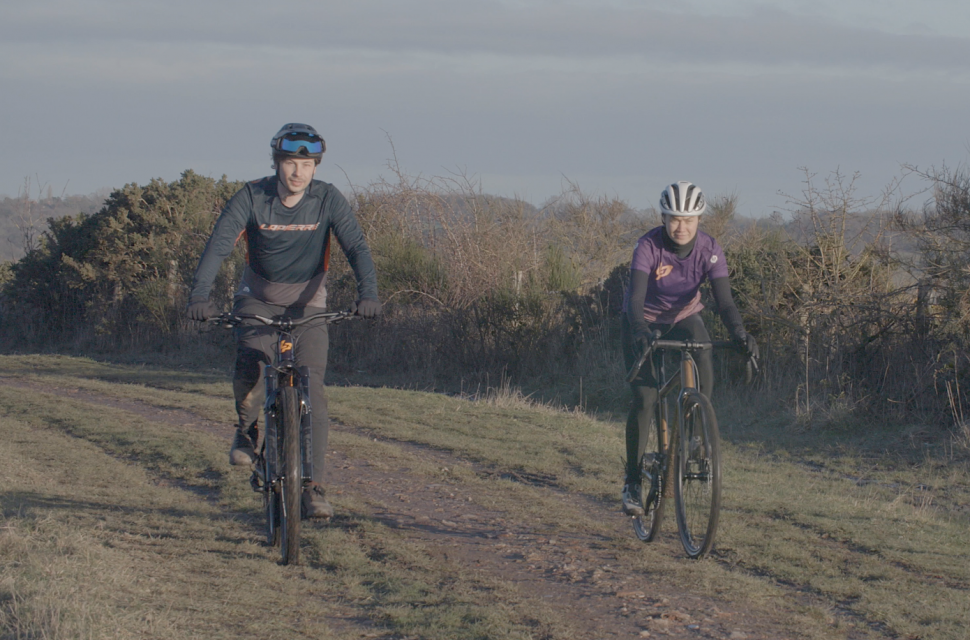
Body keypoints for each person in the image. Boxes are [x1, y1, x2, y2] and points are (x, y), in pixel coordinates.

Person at [186, 122, 381, 519]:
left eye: (307, 165)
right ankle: (247, 431)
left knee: (314, 389)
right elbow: (220, 244)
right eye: (291, 163)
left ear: (316, 168)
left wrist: (369, 294)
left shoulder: (327, 199)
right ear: (277, 163)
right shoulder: (252, 196)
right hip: (257, 298)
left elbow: (356, 246)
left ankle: (313, 486)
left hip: (309, 304)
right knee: (251, 361)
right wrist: (199, 296)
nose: (298, 172)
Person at [620, 181, 757, 515]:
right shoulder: (648, 247)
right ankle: (633, 482)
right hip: (643, 321)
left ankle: (694, 438)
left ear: (699, 220)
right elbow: (636, 296)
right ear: (664, 218)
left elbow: (725, 302)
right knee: (646, 397)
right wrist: (638, 328)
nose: (681, 227)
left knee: (703, 353)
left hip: (684, 317)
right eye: (674, 219)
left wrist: (740, 334)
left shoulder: (710, 249)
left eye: (689, 220)